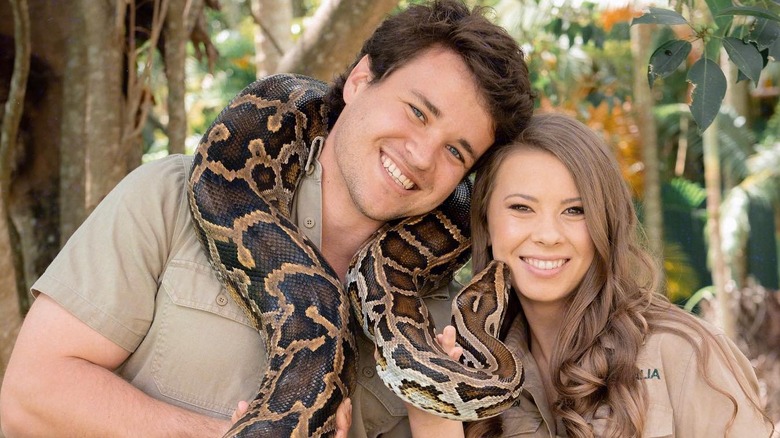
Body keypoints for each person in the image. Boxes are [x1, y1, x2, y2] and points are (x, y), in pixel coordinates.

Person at [0, 1, 534, 437]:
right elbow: (28, 396)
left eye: (456, 152)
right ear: (360, 81)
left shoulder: (440, 334)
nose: (421, 155)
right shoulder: (167, 199)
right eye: (417, 111)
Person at [407, 113, 776, 437]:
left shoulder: (684, 353)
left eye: (575, 211)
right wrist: (437, 414)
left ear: (606, 223)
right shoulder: (469, 372)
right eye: (521, 207)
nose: (548, 235)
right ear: (485, 219)